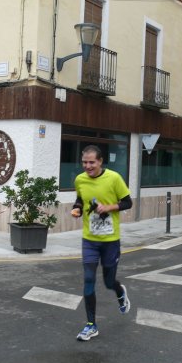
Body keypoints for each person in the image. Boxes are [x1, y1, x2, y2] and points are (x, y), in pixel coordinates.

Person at [71, 145, 133, 341]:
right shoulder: (80, 179)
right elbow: (80, 199)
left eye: (91, 162)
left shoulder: (114, 178)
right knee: (88, 280)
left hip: (110, 240)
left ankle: (119, 291)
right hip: (89, 239)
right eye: (84, 162)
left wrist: (109, 207)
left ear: (100, 162)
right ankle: (91, 325)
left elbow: (127, 202)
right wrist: (77, 208)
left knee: (108, 282)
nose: (87, 166)